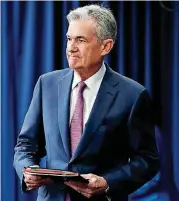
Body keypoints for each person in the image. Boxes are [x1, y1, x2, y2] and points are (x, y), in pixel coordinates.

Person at [14, 4, 159, 201]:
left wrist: (108, 182)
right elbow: (26, 144)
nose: (71, 48)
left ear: (105, 46)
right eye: (69, 39)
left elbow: (147, 160)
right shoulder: (47, 84)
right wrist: (28, 170)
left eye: (80, 40)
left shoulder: (133, 95)